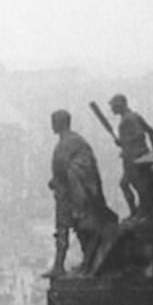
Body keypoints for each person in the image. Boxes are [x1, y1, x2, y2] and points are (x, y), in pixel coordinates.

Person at [46, 109, 119, 277]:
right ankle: (75, 264)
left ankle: (82, 264)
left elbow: (68, 168)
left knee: (76, 228)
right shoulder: (72, 141)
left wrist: (60, 181)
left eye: (54, 121)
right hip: (70, 191)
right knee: (72, 228)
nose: (52, 125)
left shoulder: (70, 142)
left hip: (74, 194)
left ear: (61, 122)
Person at [109, 94, 153, 218]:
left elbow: (139, 134)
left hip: (134, 158)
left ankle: (138, 211)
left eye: (113, 105)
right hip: (135, 156)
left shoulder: (128, 119)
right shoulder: (133, 116)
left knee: (130, 184)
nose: (112, 108)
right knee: (134, 184)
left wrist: (123, 142)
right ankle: (140, 210)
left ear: (120, 104)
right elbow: (150, 131)